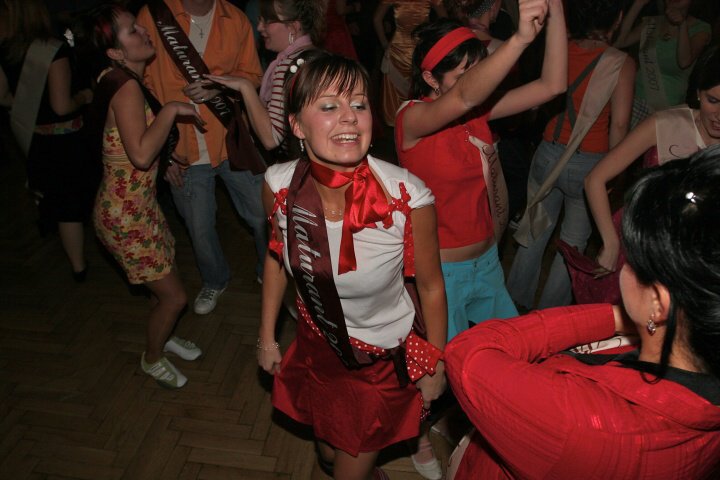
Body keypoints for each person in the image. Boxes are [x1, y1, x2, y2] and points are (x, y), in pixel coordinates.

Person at [445, 148, 720, 479]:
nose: (623, 267)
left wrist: (615, 316)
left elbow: (467, 354)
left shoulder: (577, 422)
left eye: (632, 260)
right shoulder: (686, 363)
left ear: (658, 303)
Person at [258, 51, 448, 480]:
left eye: (359, 104)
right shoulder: (278, 186)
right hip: (317, 343)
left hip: (379, 361)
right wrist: (267, 337)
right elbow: (276, 258)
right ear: (297, 125)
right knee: (328, 453)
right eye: (329, 106)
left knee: (348, 465)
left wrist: (434, 363)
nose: (349, 117)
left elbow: (432, 287)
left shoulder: (407, 197)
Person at [396, 0, 566, 342]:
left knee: (512, 351)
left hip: (488, 262)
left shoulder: (477, 114)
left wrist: (556, 10)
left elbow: (552, 85)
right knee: (452, 368)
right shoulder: (411, 120)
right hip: (442, 274)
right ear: (430, 78)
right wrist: (520, 39)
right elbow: (464, 96)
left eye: (480, 70)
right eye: (465, 74)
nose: (480, 82)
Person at [88, 5, 204, 388]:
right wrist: (171, 110)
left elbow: (131, 144)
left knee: (163, 282)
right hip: (125, 217)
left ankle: (164, 336)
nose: (143, 31)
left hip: (137, 207)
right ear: (115, 52)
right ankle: (152, 357)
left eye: (139, 26)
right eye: (131, 31)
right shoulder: (126, 86)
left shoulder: (118, 77)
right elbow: (139, 154)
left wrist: (166, 158)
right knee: (175, 298)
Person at [136, 0, 267, 315]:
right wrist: (162, 154)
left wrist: (220, 90)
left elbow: (253, 75)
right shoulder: (154, 15)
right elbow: (142, 89)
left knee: (264, 214)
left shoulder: (235, 19)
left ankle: (270, 270)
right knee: (200, 229)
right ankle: (215, 279)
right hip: (182, 148)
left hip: (231, 140)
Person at [506, 0, 635, 309]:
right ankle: (551, 315)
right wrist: (614, 174)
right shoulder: (621, 63)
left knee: (534, 230)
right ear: (618, 18)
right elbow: (619, 125)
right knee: (572, 244)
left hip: (548, 153)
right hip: (589, 164)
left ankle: (512, 304)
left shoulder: (559, 47)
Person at [584, 46, 720, 277]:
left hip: (690, 265)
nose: (719, 115)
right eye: (713, 100)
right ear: (698, 93)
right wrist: (610, 242)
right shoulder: (666, 123)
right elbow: (594, 179)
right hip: (638, 248)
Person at [0, 0, 96, 281]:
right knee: (70, 206)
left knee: (49, 193)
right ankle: (79, 267)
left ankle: (52, 231)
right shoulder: (53, 50)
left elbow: (2, 97)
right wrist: (85, 96)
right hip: (64, 140)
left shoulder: (5, 49)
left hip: (33, 136)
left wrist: (30, 108)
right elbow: (62, 106)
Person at [204, 0, 324, 158]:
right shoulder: (320, 56)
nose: (259, 27)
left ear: (293, 27)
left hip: (302, 163)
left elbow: (271, 138)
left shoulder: (289, 66)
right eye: (260, 20)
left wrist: (245, 86)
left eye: (267, 21)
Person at [614, 0, 711, 126]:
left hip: (666, 108)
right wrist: (638, 4)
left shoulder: (701, 28)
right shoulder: (652, 23)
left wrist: (682, 25)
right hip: (635, 101)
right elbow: (619, 42)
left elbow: (684, 61)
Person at [373, 0, 446, 127]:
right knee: (400, 95)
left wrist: (435, 41)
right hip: (399, 53)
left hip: (421, 52)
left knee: (420, 90)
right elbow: (376, 19)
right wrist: (384, 44)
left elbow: (445, 22)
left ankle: (416, 125)